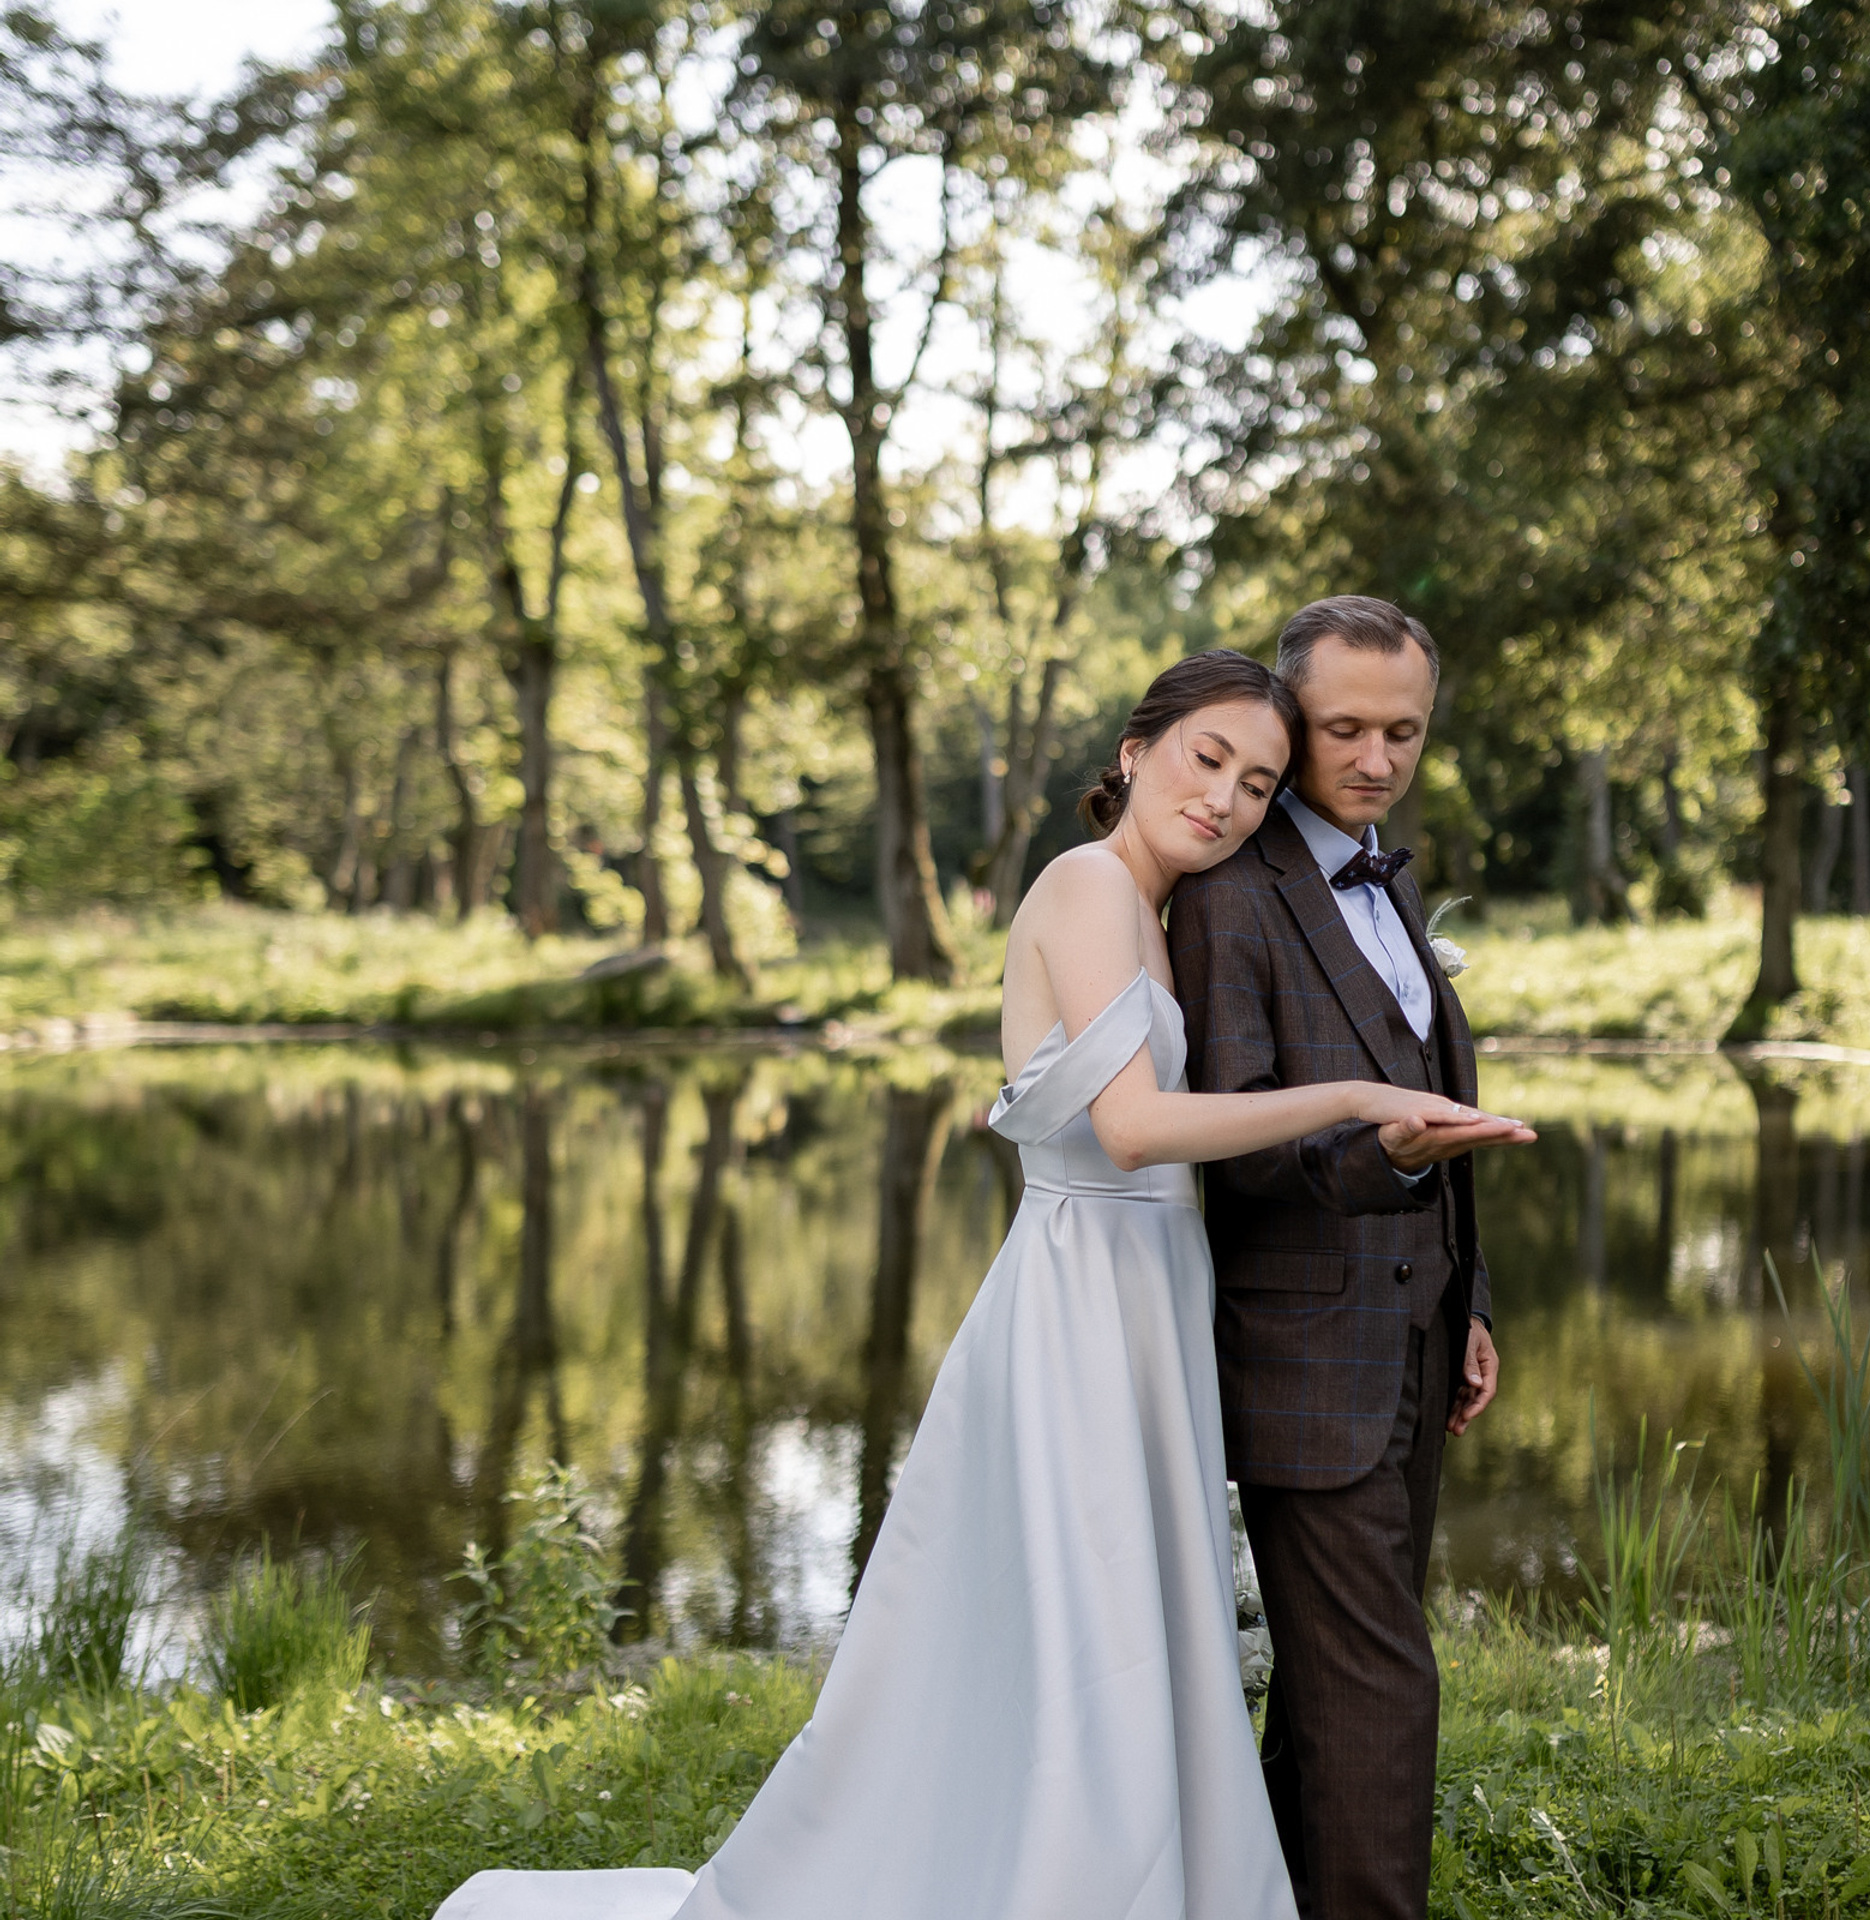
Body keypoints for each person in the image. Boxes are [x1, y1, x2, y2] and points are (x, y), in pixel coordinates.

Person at [434, 648, 1529, 1920]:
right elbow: (1129, 1128)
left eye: (1257, 781)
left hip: (1154, 1289)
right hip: (1081, 1293)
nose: (1226, 799)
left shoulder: (1163, 909)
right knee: (1091, 1616)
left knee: (1141, 1611)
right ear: (1134, 750)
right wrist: (1356, 1095)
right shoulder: (1081, 887)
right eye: (1206, 759)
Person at [1168, 598, 1528, 1920]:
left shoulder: (1387, 871)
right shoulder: (1233, 894)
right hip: (1305, 1357)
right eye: (1343, 730)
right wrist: (1391, 1154)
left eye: (1403, 732)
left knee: (1335, 1694)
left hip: (1418, 1341)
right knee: (1384, 1686)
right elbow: (1233, 1147)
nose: (1375, 759)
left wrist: (1470, 1299)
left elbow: (1436, 1087)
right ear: (1290, 719)